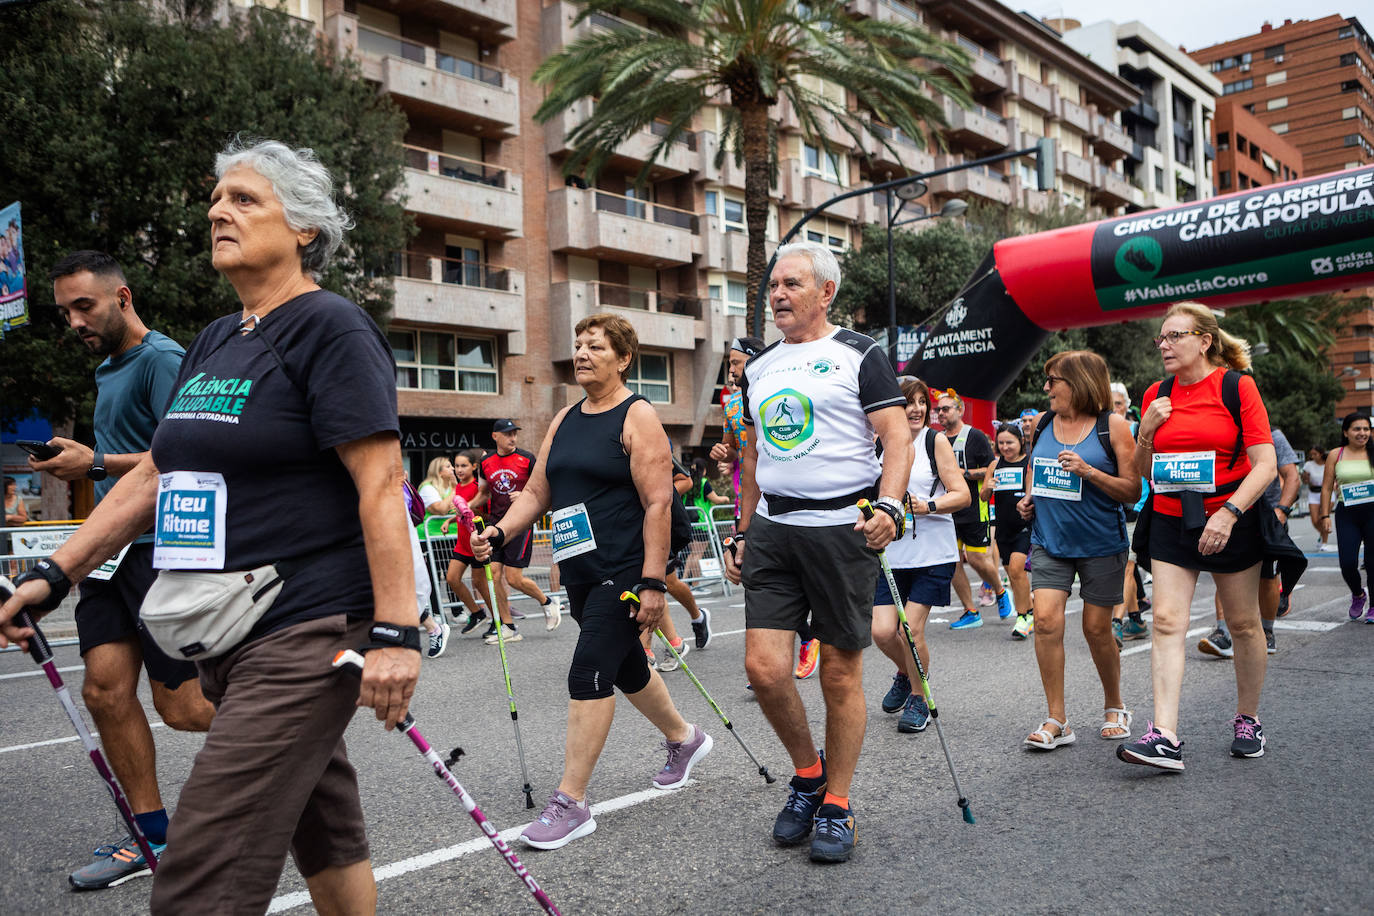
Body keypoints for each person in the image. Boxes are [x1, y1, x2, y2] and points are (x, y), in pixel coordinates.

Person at [2, 140, 421, 911]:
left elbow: (382, 482)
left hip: (308, 625)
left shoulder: (332, 328)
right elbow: (159, 475)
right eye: (217, 200)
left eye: (245, 199)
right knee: (322, 823)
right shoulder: (219, 338)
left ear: (303, 228)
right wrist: (52, 572)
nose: (218, 211)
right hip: (224, 627)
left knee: (199, 875)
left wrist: (396, 632)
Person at [474, 313, 712, 851]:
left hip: (625, 570)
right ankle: (684, 738)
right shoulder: (564, 419)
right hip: (580, 570)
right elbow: (536, 494)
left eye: (595, 347)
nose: (581, 354)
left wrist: (653, 581)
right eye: (577, 345)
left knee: (588, 672)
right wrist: (499, 529)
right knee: (625, 665)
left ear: (623, 358)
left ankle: (572, 802)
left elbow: (658, 501)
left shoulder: (638, 415)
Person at [20, 250, 215, 890]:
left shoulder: (163, 358)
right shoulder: (108, 367)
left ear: (122, 297)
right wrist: (84, 465)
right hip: (110, 552)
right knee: (103, 691)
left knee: (183, 706)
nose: (75, 320)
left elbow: (185, 452)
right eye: (65, 311)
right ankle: (152, 838)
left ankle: (291, 731)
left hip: (161, 548)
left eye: (86, 306)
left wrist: (97, 464)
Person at [723, 241, 912, 864]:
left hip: (841, 530)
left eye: (791, 284)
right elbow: (752, 456)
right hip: (775, 529)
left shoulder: (860, 354)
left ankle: (838, 802)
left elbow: (896, 437)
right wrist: (742, 529)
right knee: (765, 669)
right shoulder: (760, 367)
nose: (776, 295)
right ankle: (807, 775)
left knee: (837, 672)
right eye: (772, 285)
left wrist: (888, 507)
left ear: (824, 292)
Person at [1118, 303, 1277, 771]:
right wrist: (1145, 432)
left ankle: (1248, 720)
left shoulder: (1236, 387)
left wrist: (1228, 513)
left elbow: (1265, 463)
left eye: (1174, 336)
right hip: (1169, 517)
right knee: (1167, 621)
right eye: (1160, 339)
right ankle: (1164, 735)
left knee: (1245, 624)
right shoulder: (1155, 393)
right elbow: (1144, 473)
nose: (1163, 345)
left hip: (1232, 516)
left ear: (1204, 340)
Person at [1016, 351, 1138, 750]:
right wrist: (1029, 498)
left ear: (1080, 382)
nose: (1047, 388)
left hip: (1101, 543)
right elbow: (1036, 469)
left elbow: (1133, 492)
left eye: (1054, 381)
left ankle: (1115, 704)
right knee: (1047, 622)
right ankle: (1057, 718)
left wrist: (1089, 471)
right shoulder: (1046, 423)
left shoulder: (1113, 427)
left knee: (1096, 629)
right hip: (1049, 540)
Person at [710, 336, 820, 679]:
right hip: (750, 497)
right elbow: (735, 449)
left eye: (736, 362)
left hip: (787, 497)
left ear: (756, 362)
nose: (730, 369)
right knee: (755, 574)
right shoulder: (731, 406)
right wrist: (723, 457)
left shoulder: (781, 392)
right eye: (729, 363)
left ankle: (800, 642)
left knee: (780, 575)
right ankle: (778, 659)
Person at [872, 377, 967, 733]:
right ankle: (905, 671)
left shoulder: (935, 440)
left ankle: (919, 697)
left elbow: (961, 495)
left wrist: (927, 505)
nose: (916, 409)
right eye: (907, 402)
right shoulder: (879, 443)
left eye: (921, 402)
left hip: (931, 553)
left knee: (909, 629)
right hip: (891, 554)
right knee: (882, 632)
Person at [1201, 427, 1301, 655]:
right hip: (1228, 513)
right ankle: (1223, 633)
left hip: (1266, 516)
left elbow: (1292, 476)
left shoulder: (1273, 435)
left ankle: (1267, 631)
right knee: (1224, 572)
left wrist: (1282, 511)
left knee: (1267, 578)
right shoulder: (1221, 430)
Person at [479, 418, 563, 640]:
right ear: (495, 436)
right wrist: (463, 506)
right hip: (496, 524)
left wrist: (524, 494)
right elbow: (484, 492)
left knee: (514, 578)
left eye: (515, 433)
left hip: (520, 524)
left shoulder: (527, 458)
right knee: (494, 575)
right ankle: (508, 627)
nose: (513, 438)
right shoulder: (486, 461)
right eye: (507, 434)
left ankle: (547, 601)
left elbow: (543, 488)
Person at [934, 389, 1011, 627]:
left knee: (977, 559)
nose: (941, 414)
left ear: (960, 410)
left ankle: (999, 590)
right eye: (938, 410)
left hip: (974, 507)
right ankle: (970, 611)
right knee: (952, 561)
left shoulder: (974, 436)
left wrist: (963, 474)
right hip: (948, 509)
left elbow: (992, 466)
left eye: (945, 409)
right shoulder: (936, 439)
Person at [1318, 413, 1374, 623]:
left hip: (1373, 512)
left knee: (1372, 562)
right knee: (1348, 562)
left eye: (1366, 429)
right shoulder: (1336, 454)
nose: (1362, 433)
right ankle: (1359, 594)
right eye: (1357, 429)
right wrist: (1325, 515)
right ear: (1346, 432)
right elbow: (1325, 488)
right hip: (1347, 513)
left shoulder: (1373, 452)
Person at [982, 425, 1033, 639]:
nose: (1005, 447)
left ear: (1020, 441)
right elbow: (984, 497)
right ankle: (1029, 610)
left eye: (1009, 442)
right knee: (1013, 575)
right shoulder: (995, 464)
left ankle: (1023, 616)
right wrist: (989, 486)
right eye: (1001, 443)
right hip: (1003, 528)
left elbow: (1033, 493)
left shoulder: (1027, 463)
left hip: (1024, 525)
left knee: (1016, 569)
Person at [443, 449, 498, 634]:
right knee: (452, 578)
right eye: (456, 465)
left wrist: (470, 510)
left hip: (477, 542)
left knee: (480, 583)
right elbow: (460, 512)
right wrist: (449, 520)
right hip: (462, 543)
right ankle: (477, 613)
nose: (459, 469)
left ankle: (498, 620)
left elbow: (485, 515)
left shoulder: (478, 488)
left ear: (474, 466)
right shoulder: (458, 486)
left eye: (463, 465)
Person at [1302, 446, 1333, 550]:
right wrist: (1305, 477)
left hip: (1328, 492)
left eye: (1315, 454)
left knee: (1323, 517)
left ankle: (1324, 542)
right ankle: (1322, 533)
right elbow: (1305, 480)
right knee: (1315, 520)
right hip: (1314, 492)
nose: (1313, 456)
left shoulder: (1328, 463)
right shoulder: (1308, 465)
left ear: (1321, 454)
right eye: (1311, 454)